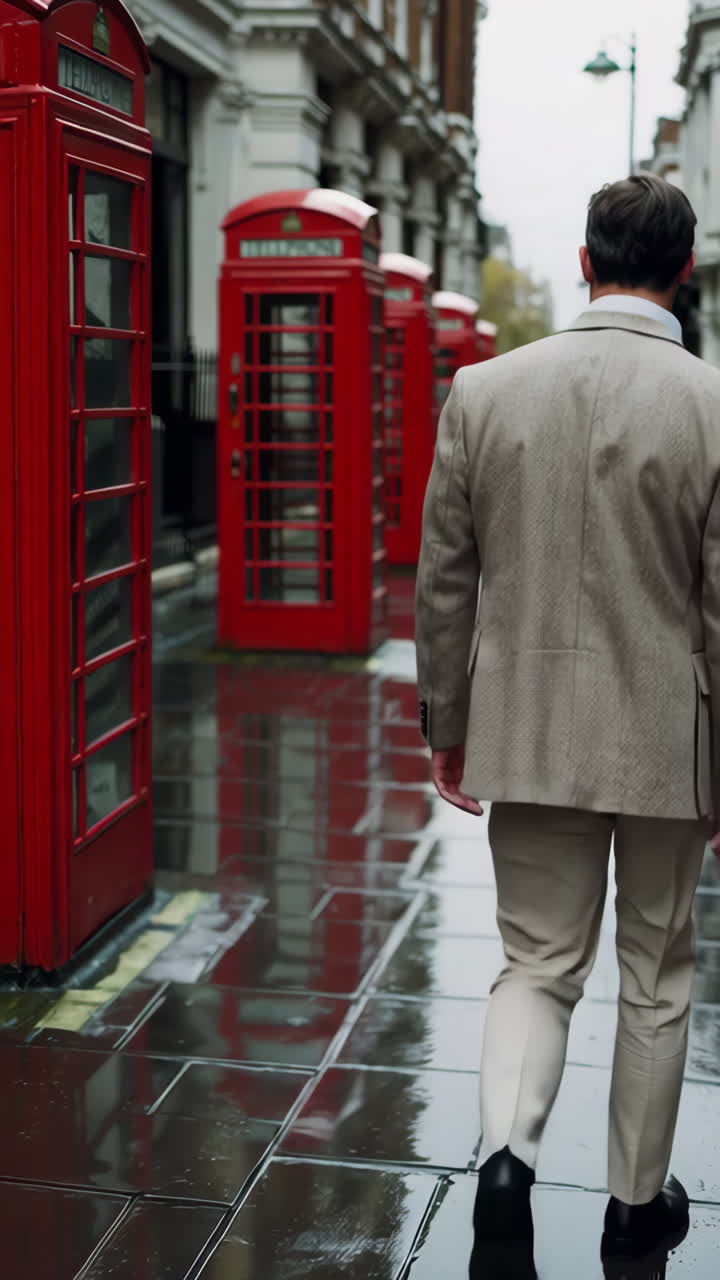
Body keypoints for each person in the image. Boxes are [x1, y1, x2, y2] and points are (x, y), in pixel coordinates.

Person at [415, 174, 720, 1266]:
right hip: (667, 744)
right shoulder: (713, 405)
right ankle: (635, 1204)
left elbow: (444, 579)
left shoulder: (485, 390)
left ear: (585, 261)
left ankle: (506, 1160)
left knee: (534, 962)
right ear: (681, 271)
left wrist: (448, 719)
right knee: (656, 968)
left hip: (528, 725)